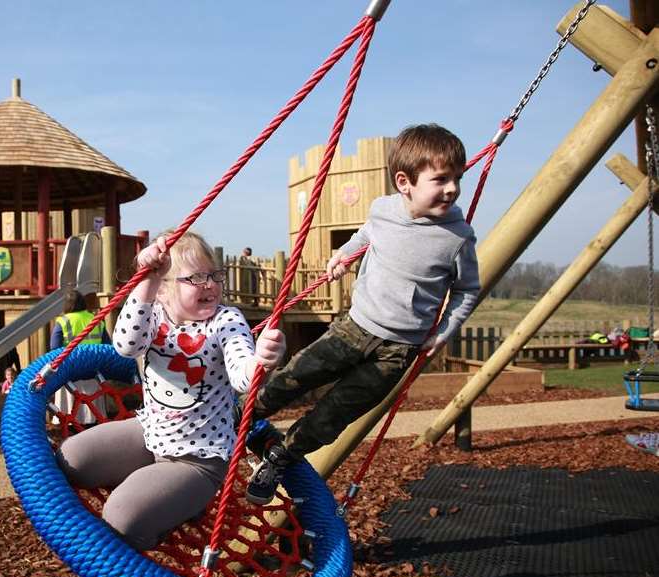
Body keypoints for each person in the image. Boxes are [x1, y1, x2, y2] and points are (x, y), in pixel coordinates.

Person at [244, 123, 481, 505]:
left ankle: (280, 457)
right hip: (353, 328)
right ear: (405, 182)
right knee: (296, 376)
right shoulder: (383, 210)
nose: (452, 188)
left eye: (457, 178)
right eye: (440, 179)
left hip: (397, 351)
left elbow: (467, 289)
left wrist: (446, 329)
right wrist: (342, 254)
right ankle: (236, 418)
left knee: (334, 414)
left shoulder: (458, 237)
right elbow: (366, 233)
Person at [56, 231, 286, 551]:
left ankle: (175, 508)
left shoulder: (226, 320)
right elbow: (125, 346)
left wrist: (261, 360)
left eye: (213, 275)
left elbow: (242, 376)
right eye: (195, 278)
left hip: (198, 461)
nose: (209, 284)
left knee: (120, 517)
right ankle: (155, 488)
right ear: (163, 289)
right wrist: (147, 282)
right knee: (71, 459)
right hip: (150, 433)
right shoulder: (154, 313)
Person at [50, 290, 111, 426]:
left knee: (71, 415)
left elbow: (54, 349)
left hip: (70, 373)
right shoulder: (96, 319)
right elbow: (108, 346)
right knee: (94, 414)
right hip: (93, 371)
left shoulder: (63, 322)